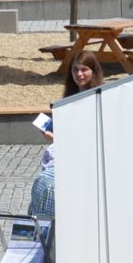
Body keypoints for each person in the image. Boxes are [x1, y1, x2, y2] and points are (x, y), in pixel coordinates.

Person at [29, 56, 102, 219]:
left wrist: (57, 140)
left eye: (84, 69)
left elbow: (88, 140)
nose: (79, 74)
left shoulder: (100, 98)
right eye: (75, 70)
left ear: (94, 71)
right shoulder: (71, 95)